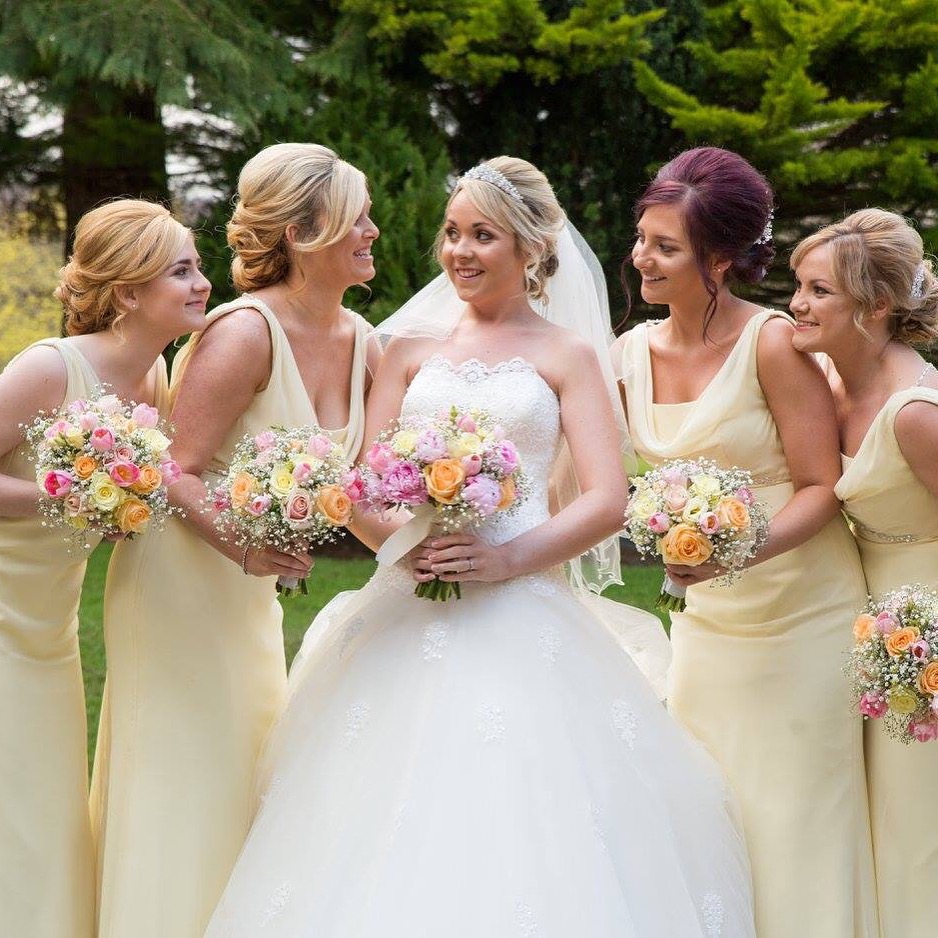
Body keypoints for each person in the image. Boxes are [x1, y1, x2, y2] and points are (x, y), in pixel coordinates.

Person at [205, 156, 755, 937]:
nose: (459, 251)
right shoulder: (406, 352)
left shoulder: (568, 356)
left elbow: (605, 499)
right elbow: (360, 486)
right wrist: (403, 547)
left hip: (523, 604)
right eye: (453, 233)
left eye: (482, 236)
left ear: (530, 247)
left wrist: (505, 560)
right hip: (409, 606)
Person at [90, 143, 379, 938]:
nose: (372, 232)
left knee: (241, 772)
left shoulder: (365, 340)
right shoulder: (245, 332)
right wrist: (244, 546)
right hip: (180, 578)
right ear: (304, 233)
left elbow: (364, 488)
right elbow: (169, 468)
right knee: (183, 776)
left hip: (248, 594)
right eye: (357, 219)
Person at [614, 147, 878, 937]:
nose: (642, 258)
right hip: (708, 626)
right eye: (642, 238)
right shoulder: (629, 354)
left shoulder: (772, 344)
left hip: (803, 617)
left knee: (797, 820)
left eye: (665, 246)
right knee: (712, 809)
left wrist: (736, 550)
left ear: (720, 260)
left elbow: (821, 485)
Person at [0, 199, 208, 938]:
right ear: (127, 293)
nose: (203, 283)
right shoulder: (49, 368)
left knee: (46, 810)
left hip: (50, 627)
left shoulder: (155, 376)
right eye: (181, 271)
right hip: (4, 610)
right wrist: (66, 498)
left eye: (197, 266)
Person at [790, 208, 938, 938]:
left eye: (819, 291)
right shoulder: (824, 379)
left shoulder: (916, 414)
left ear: (876, 307)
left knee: (917, 827)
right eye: (798, 285)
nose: (797, 304)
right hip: (863, 627)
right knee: (871, 818)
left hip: (923, 638)